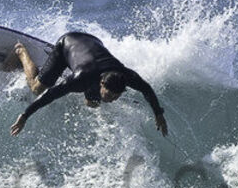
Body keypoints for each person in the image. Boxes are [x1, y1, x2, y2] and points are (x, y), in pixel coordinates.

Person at [9, 31, 168, 137]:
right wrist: (24, 116)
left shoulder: (126, 75)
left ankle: (64, 71)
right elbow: (49, 95)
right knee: (37, 89)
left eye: (115, 96)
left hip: (93, 41)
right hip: (67, 43)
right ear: (102, 82)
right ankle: (21, 52)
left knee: (93, 102)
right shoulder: (81, 79)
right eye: (109, 94)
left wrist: (158, 113)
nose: (112, 99)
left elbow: (146, 89)